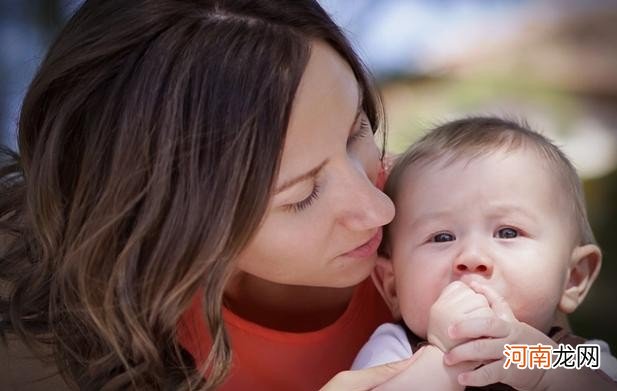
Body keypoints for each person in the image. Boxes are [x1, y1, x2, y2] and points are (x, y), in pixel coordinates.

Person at [0, 0, 411, 389]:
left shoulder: (450, 220)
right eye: (301, 196)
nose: (380, 208)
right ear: (168, 219)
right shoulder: (57, 334)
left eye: (357, 131)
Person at [353, 117, 617, 390]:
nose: (472, 257)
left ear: (573, 277)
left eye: (507, 233)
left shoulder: (574, 356)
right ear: (392, 286)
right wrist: (442, 358)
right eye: (441, 237)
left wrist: (542, 369)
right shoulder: (395, 351)